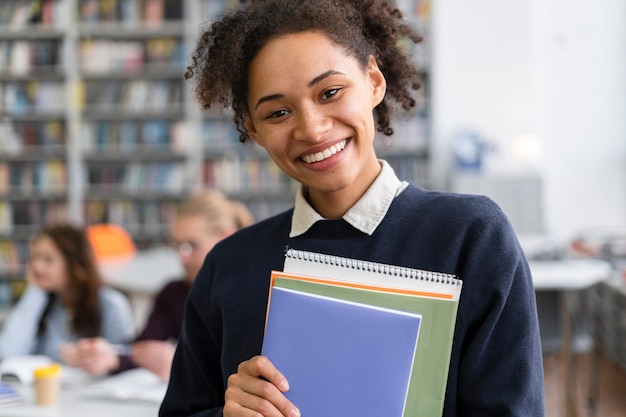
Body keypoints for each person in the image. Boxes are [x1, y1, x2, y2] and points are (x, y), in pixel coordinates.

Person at [160, 0, 546, 416]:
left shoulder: (471, 237)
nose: (311, 128)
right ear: (253, 129)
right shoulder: (228, 265)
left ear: (374, 82)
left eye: (330, 92)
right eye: (279, 112)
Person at [66, 189, 254, 381]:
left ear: (226, 239)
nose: (182, 257)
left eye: (191, 246)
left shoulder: (256, 296)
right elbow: (143, 348)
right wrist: (108, 357)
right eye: (177, 246)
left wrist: (181, 364)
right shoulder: (173, 293)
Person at [0, 223, 134, 364]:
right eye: (34, 258)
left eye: (48, 260)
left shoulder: (111, 304)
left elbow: (125, 360)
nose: (37, 266)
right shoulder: (42, 301)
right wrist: (35, 292)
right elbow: (8, 353)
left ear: (74, 263)